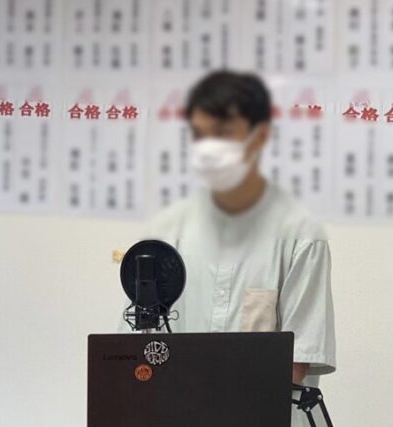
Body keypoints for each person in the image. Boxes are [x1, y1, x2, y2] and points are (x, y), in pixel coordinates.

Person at [119, 70, 336, 425]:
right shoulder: (167, 232)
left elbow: (296, 361)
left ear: (259, 136)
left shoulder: (301, 235)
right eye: (200, 135)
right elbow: (131, 351)